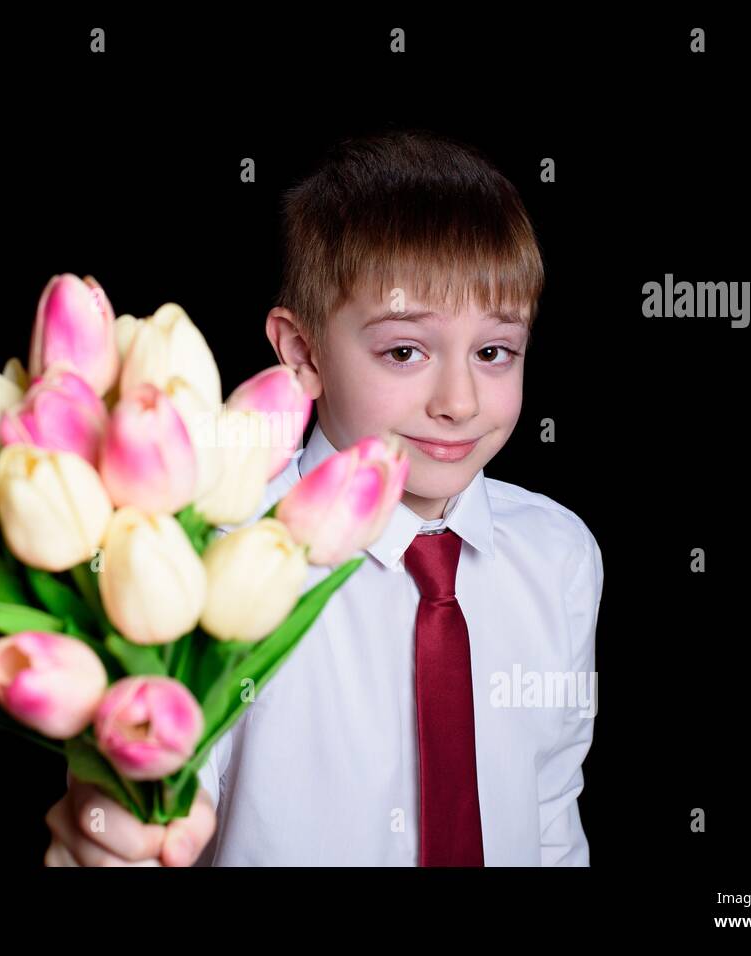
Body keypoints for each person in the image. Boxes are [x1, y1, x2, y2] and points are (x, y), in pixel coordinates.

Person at [44, 129, 603, 866]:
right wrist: (116, 830)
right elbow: (164, 800)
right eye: (405, 351)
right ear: (303, 354)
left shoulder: (560, 555)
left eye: (493, 352)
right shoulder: (212, 547)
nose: (460, 403)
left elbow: (551, 813)